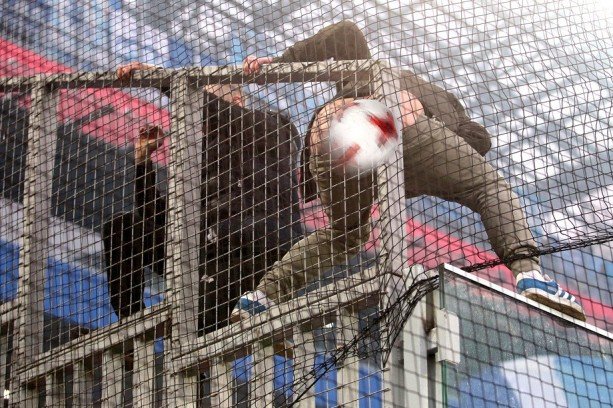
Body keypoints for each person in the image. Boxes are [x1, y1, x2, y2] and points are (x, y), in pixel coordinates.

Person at [233, 20, 586, 321]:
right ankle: (529, 272)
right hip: (384, 122)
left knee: (346, 234)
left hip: (328, 138)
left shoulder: (364, 74)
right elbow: (478, 140)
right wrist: (447, 142)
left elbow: (344, 33)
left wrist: (278, 65)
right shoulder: (422, 96)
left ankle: (260, 299)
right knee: (489, 188)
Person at [103, 68, 302, 333]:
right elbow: (158, 218)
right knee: (123, 228)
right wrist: (143, 163)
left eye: (201, 103)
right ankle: (131, 331)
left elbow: (219, 112)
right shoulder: (201, 158)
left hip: (253, 255)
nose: (196, 116)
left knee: (198, 323)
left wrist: (165, 79)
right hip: (207, 252)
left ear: (236, 102)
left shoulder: (271, 127)